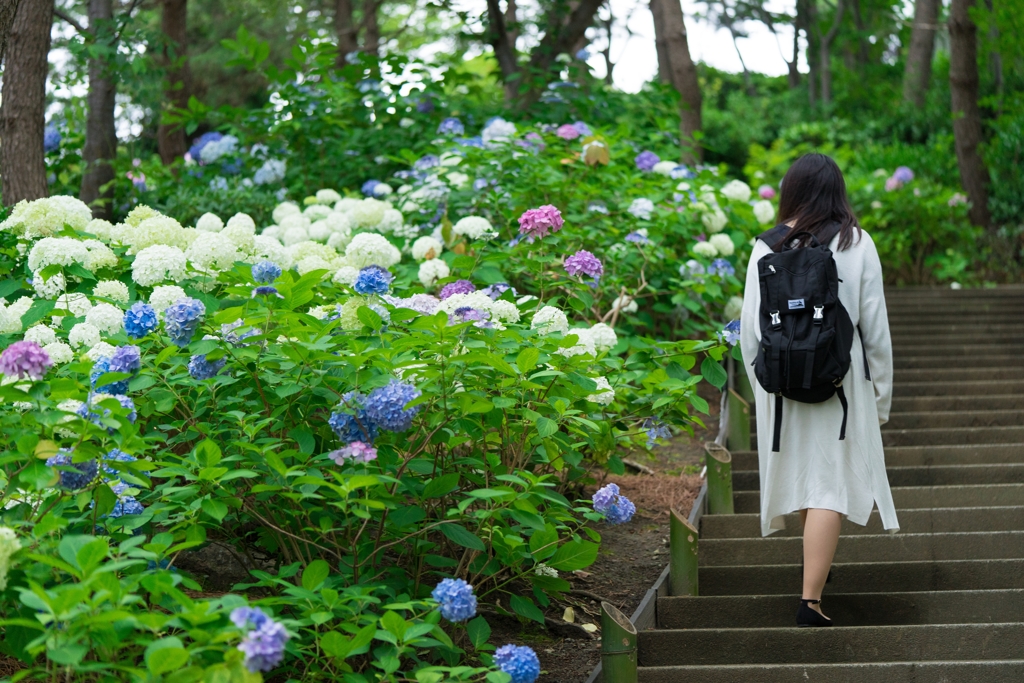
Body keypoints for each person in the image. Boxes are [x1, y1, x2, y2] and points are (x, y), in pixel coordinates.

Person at [739, 153, 899, 627]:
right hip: (841, 382)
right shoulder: (857, 242)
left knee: (811, 481)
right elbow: (876, 330)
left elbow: (751, 331)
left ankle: (815, 570)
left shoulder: (765, 246)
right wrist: (881, 398)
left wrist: (766, 391)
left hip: (783, 389)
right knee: (828, 485)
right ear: (836, 191)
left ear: (790, 190)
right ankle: (809, 601)